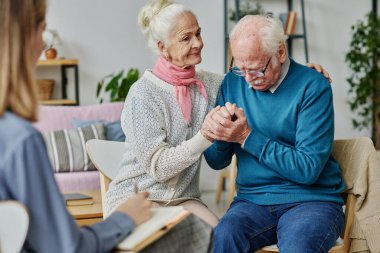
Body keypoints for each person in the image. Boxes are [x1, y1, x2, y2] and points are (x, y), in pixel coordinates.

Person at [0, 0, 213, 252]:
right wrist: (125, 217)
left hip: (179, 200)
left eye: (198, 34)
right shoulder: (21, 141)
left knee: (213, 233)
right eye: (42, 30)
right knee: (196, 232)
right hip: (140, 202)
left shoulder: (205, 85)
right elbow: (69, 247)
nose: (44, 44)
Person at [105, 0, 332, 228]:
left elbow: (254, 70)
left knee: (217, 239)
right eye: (186, 38)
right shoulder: (143, 93)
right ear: (162, 47)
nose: (198, 43)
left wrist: (301, 74)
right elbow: (159, 168)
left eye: (198, 33)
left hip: (184, 199)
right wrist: (204, 136)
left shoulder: (211, 84)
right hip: (137, 197)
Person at [202, 14, 346, 253]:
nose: (248, 80)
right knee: (223, 236)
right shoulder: (232, 83)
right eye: (241, 69)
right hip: (252, 200)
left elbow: (308, 169)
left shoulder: (313, 86)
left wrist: (247, 137)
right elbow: (217, 162)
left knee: (298, 246)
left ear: (280, 52)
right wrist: (219, 133)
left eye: (257, 70)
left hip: (312, 201)